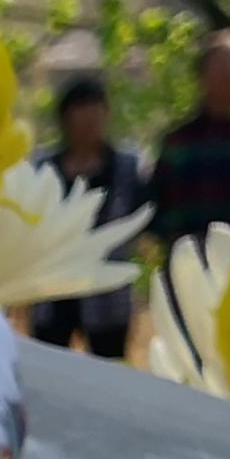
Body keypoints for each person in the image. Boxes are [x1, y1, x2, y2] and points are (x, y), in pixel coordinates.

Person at [28, 74, 149, 354]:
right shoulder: (43, 168)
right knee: (50, 364)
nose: (89, 118)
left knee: (108, 367)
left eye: (96, 108)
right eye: (81, 109)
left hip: (107, 290)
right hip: (52, 288)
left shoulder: (127, 167)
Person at [147, 30, 230, 248]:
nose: (228, 74)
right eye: (220, 66)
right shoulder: (178, 141)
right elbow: (158, 202)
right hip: (188, 253)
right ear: (201, 75)